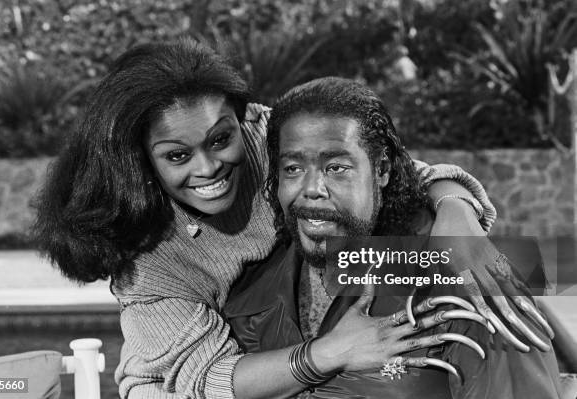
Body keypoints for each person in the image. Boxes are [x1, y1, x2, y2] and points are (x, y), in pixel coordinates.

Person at [33, 38, 548, 398]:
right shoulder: (149, 260)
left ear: (246, 120)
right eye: (177, 155)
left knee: (494, 281)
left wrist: (457, 215)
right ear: (141, 161)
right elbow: (203, 381)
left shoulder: (269, 134)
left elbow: (393, 170)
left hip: (311, 292)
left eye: (220, 139)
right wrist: (328, 354)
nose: (209, 167)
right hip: (191, 375)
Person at [225, 77, 561, 398]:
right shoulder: (248, 298)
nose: (311, 190)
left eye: (336, 168)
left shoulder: (473, 284)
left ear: (382, 170)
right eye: (293, 169)